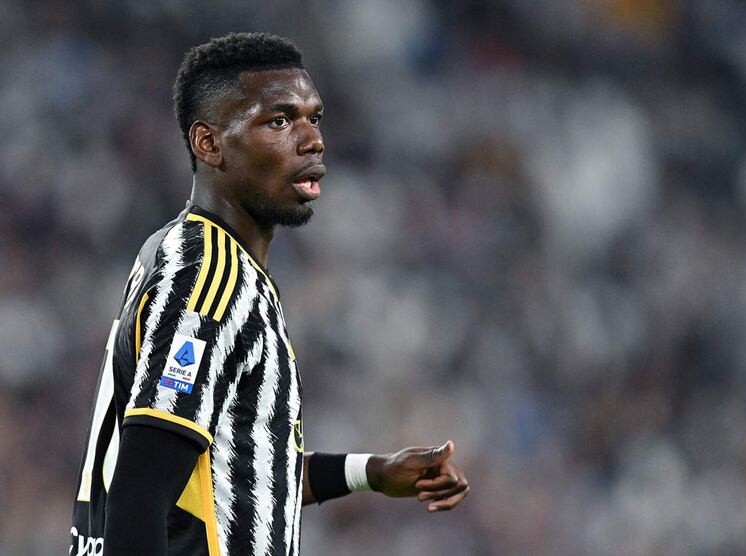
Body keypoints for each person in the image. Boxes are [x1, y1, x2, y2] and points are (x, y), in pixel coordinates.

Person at [69, 32, 469, 556]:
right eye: (279, 121)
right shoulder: (208, 276)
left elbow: (238, 476)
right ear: (208, 143)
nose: (312, 140)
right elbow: (140, 493)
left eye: (314, 118)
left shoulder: (183, 253)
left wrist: (370, 472)